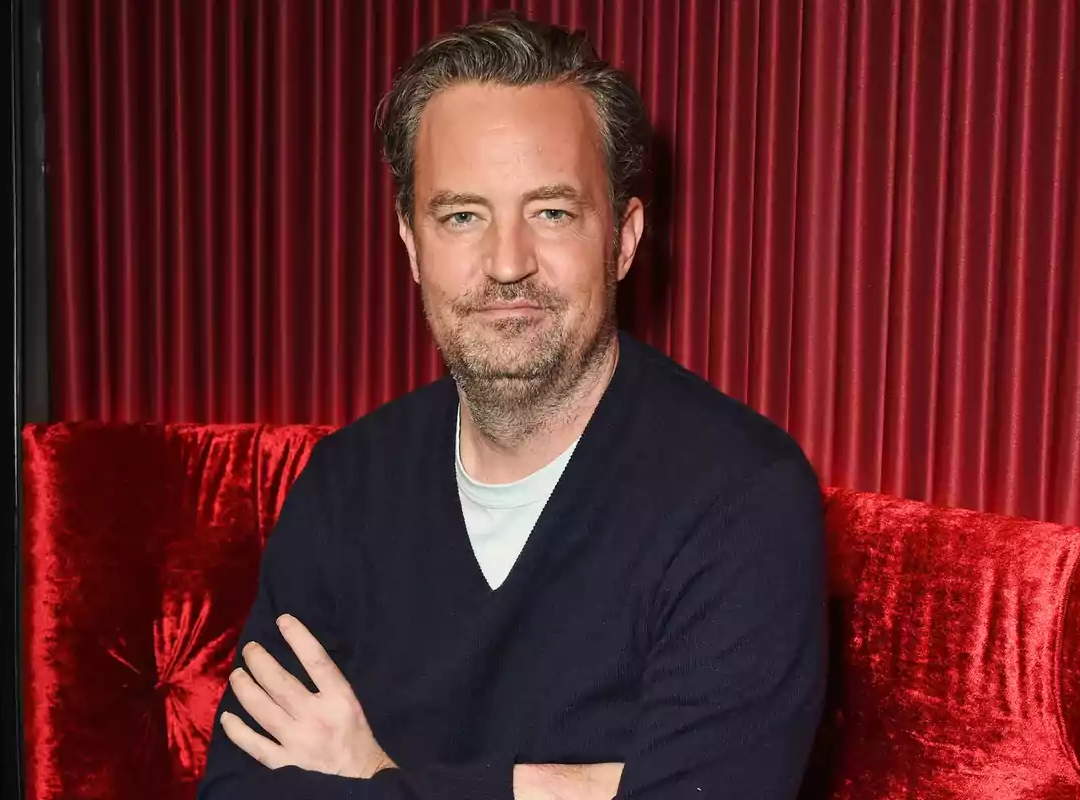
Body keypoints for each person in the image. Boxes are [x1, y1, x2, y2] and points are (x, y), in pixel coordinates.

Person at [198, 13, 826, 800]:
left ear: (624, 238)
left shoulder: (741, 497)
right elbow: (236, 792)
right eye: (462, 215)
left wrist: (375, 778)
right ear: (410, 243)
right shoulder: (346, 483)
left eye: (552, 212)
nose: (506, 264)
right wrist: (562, 788)